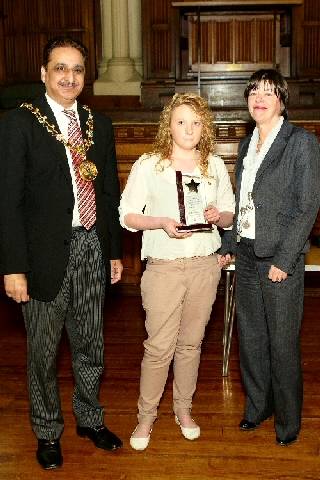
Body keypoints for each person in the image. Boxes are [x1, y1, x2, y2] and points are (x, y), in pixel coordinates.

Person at [0, 37, 123, 469]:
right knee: (43, 352)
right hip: (41, 257)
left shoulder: (98, 124)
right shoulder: (18, 124)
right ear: (44, 73)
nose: (69, 77)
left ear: (85, 77)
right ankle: (48, 431)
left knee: (92, 343)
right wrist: (13, 267)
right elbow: (8, 201)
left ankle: (90, 419)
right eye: (60, 68)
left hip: (91, 244)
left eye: (76, 70)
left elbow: (108, 194)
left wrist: (112, 251)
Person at [119, 92, 235, 450]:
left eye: (196, 122)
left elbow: (230, 215)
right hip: (164, 269)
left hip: (204, 266)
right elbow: (126, 216)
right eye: (182, 121)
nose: (189, 128)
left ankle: (183, 409)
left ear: (205, 128)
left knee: (191, 345)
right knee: (158, 348)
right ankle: (145, 418)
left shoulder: (213, 165)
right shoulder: (149, 164)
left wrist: (219, 216)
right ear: (168, 125)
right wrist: (162, 222)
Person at [219, 69, 320, 446]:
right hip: (246, 254)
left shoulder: (301, 143)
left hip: (279, 259)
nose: (259, 98)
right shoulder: (247, 145)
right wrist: (229, 244)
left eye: (269, 92)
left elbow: (307, 207)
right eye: (254, 92)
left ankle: (288, 423)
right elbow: (243, 202)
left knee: (282, 342)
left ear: (282, 101)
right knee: (252, 339)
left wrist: (285, 258)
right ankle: (258, 407)